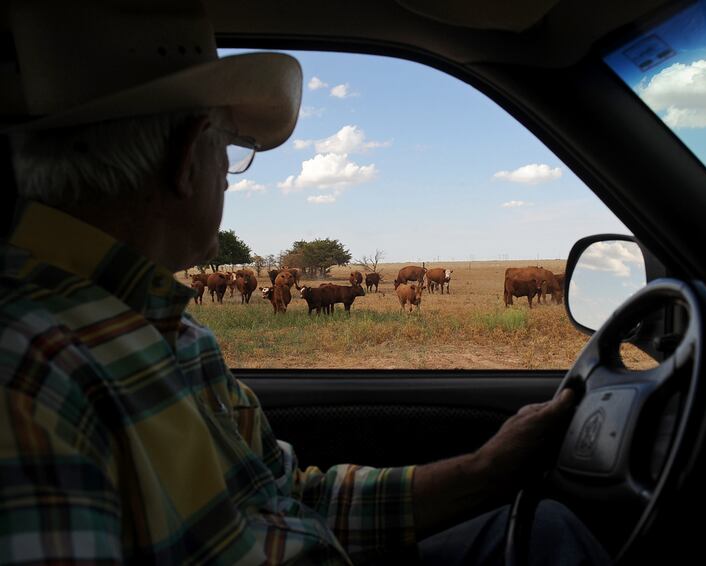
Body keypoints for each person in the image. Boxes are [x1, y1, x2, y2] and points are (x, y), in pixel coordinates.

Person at [0, 1, 610, 564]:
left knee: (544, 527)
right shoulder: (28, 373)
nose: (232, 179)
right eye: (231, 151)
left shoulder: (167, 330)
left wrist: (486, 469)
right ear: (189, 158)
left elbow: (280, 498)